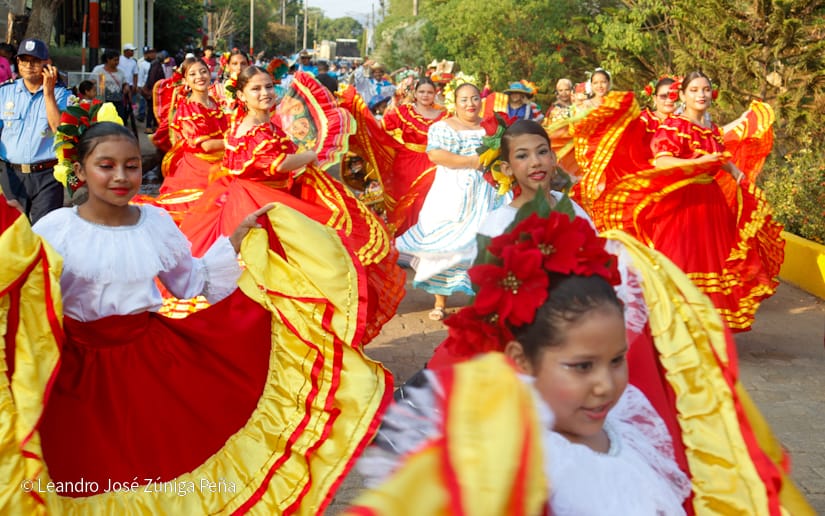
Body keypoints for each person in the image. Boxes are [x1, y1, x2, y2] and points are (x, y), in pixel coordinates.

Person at [2, 117, 391, 512]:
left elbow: (191, 282)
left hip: (148, 362)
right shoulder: (54, 229)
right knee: (82, 468)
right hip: (74, 372)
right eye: (106, 165)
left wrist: (235, 239)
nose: (120, 176)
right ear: (81, 170)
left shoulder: (154, 224)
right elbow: (25, 298)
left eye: (132, 166)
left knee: (157, 462)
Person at [179, 66, 405, 344]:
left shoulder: (260, 121)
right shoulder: (253, 127)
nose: (264, 93)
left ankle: (284, 337)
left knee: (286, 270)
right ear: (241, 95)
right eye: (255, 89)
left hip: (263, 197)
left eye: (268, 87)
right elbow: (278, 164)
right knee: (278, 270)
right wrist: (311, 155)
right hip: (258, 204)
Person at [592, 71, 783, 332]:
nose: (701, 95)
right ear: (682, 95)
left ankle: (706, 328)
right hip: (682, 204)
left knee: (715, 263)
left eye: (705, 89)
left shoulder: (710, 128)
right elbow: (661, 160)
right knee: (682, 261)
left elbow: (719, 155)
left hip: (711, 203)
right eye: (694, 90)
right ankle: (675, 328)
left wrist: (735, 172)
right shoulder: (675, 125)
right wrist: (697, 163)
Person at [395, 82, 509, 320]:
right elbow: (435, 154)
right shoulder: (443, 127)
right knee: (445, 248)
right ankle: (440, 302)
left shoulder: (491, 127)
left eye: (475, 98)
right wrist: (472, 162)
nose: (470, 104)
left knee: (489, 245)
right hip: (453, 195)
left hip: (488, 195)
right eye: (464, 100)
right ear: (455, 103)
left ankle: (488, 300)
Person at [0, 38, 70, 223]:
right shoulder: (4, 92)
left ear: (48, 63)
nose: (29, 66)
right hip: (10, 174)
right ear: (17, 62)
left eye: (35, 61)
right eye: (24, 60)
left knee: (46, 230)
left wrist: (48, 93)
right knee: (12, 232)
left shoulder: (62, 94)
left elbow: (59, 130)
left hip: (47, 175)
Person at [154, 58, 228, 218]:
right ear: (185, 80)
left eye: (203, 72)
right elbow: (205, 145)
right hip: (200, 170)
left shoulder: (214, 102)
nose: (199, 77)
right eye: (192, 74)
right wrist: (238, 141)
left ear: (210, 74)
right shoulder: (189, 109)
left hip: (223, 162)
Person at [92, 48, 129, 122]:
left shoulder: (121, 72)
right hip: (102, 101)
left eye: (118, 60)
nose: (117, 62)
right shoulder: (99, 70)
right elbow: (92, 82)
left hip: (117, 100)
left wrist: (126, 87)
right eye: (115, 60)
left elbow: (124, 83)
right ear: (108, 60)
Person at [136, 46, 157, 123]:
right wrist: (140, 86)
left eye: (153, 53)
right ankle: (141, 115)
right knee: (143, 101)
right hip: (144, 86)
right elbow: (140, 75)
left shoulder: (156, 63)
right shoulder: (143, 64)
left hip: (154, 87)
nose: (153, 54)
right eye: (150, 53)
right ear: (147, 54)